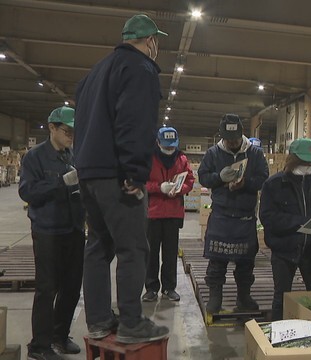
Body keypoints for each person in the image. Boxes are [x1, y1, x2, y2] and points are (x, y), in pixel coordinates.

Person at [74, 14, 170, 343]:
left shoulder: (95, 71)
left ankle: (99, 319)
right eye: (157, 42)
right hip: (117, 173)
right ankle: (132, 322)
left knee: (98, 246)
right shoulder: (139, 69)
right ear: (150, 41)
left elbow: (84, 123)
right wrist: (135, 172)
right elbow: (134, 123)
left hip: (88, 172)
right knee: (133, 247)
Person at [19, 106, 85, 359]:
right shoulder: (35, 157)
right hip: (48, 230)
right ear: (52, 128)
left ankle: (59, 335)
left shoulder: (73, 155)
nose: (70, 136)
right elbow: (27, 192)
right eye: (66, 131)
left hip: (74, 228)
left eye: (73, 132)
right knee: (47, 289)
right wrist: (60, 183)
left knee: (71, 287)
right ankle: (40, 345)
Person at [198, 114, 269, 314]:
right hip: (221, 213)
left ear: (241, 134)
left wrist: (245, 183)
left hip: (245, 216)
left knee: (246, 262)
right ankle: (215, 297)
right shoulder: (213, 153)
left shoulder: (254, 154)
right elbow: (203, 177)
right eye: (228, 139)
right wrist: (219, 178)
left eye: (235, 139)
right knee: (217, 260)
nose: (232, 143)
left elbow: (264, 178)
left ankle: (244, 297)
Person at [259, 138, 311, 320]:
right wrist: (300, 222)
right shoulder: (273, 185)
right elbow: (268, 217)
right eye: (302, 161)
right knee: (282, 298)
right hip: (284, 251)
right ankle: (277, 337)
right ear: (292, 159)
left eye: (310, 162)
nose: (307, 165)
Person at [142, 127, 195, 302]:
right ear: (157, 142)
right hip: (153, 213)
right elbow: (142, 182)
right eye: (166, 146)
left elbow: (190, 180)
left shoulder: (182, 159)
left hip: (173, 213)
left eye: (172, 147)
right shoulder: (149, 159)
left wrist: (179, 190)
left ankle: (169, 287)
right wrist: (159, 188)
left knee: (170, 253)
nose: (170, 150)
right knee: (151, 253)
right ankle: (151, 288)